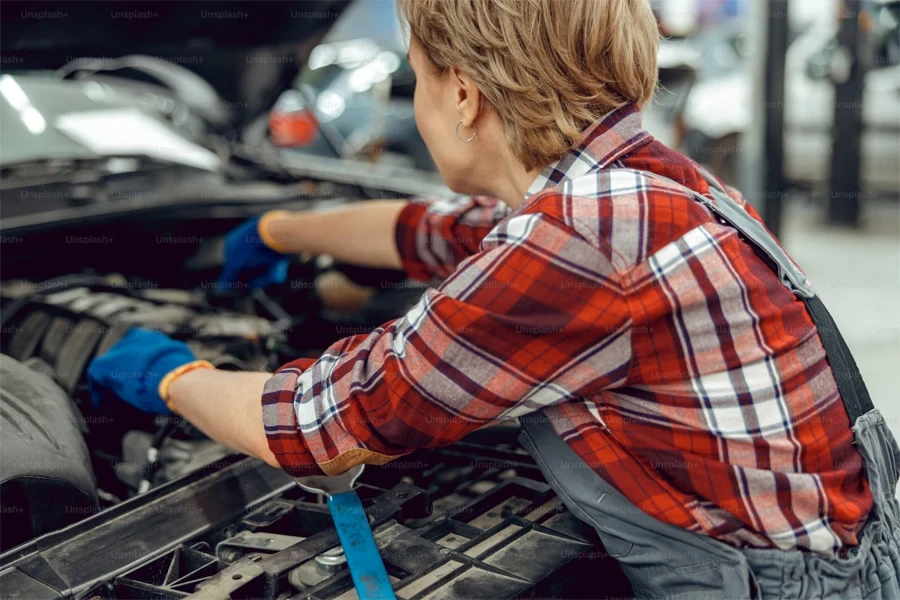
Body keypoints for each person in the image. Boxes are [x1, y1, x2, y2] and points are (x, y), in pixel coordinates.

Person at [88, 0, 900, 597]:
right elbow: (438, 231)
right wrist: (285, 231)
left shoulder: (582, 238)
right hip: (829, 550)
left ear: (465, 95)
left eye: (419, 80)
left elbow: (317, 426)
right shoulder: (636, 181)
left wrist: (168, 374)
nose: (419, 101)